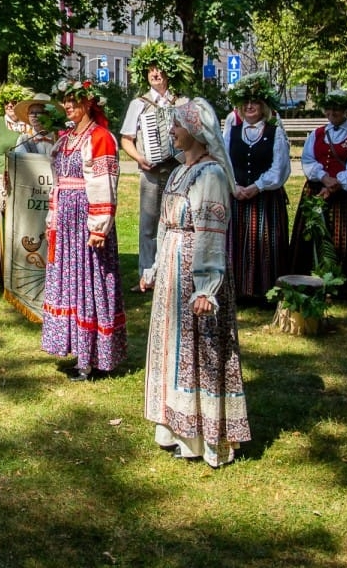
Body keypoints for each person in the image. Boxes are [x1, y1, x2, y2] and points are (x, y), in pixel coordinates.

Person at [141, 98, 250, 468]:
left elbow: (211, 233)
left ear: (197, 131)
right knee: (173, 346)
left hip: (194, 270)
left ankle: (204, 436)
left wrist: (207, 288)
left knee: (197, 351)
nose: (171, 131)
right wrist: (154, 268)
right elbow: (162, 226)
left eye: (176, 126)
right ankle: (174, 427)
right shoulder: (177, 173)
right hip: (173, 267)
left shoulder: (211, 176)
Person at [40, 79, 126, 381]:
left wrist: (99, 226)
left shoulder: (100, 137)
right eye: (66, 101)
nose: (68, 106)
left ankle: (93, 356)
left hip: (86, 217)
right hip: (66, 219)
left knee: (90, 282)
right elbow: (58, 181)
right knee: (70, 281)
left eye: (74, 101)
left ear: (89, 103)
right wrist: (53, 215)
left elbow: (104, 184)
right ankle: (76, 348)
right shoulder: (65, 140)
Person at [119, 42, 192, 288]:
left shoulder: (182, 103)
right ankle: (147, 276)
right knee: (148, 224)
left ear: (169, 73)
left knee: (176, 221)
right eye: (150, 70)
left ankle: (172, 272)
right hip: (150, 172)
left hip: (178, 170)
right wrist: (139, 158)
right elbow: (126, 139)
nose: (155, 74)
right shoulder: (139, 104)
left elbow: (194, 135)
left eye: (159, 69)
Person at [288, 90, 347, 292]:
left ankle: (341, 283)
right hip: (316, 189)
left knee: (342, 238)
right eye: (330, 108)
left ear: (346, 110)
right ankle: (309, 278)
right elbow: (307, 159)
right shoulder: (318, 134)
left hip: (343, 196)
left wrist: (335, 185)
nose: (333, 112)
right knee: (312, 234)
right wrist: (323, 178)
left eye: (338, 108)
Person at [222, 73, 291, 302]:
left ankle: (266, 290)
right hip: (238, 195)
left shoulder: (275, 132)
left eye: (255, 103)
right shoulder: (232, 130)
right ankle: (239, 290)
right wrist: (234, 185)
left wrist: (258, 186)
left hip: (265, 199)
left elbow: (279, 168)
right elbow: (224, 160)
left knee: (265, 243)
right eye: (246, 103)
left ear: (263, 106)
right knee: (238, 242)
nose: (250, 106)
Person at [0, 83, 32, 283]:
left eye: (15, 102)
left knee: (22, 222)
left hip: (24, 180)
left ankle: (23, 266)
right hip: (1, 178)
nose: (11, 105)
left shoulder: (28, 125)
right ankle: (1, 270)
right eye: (8, 103)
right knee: (1, 223)